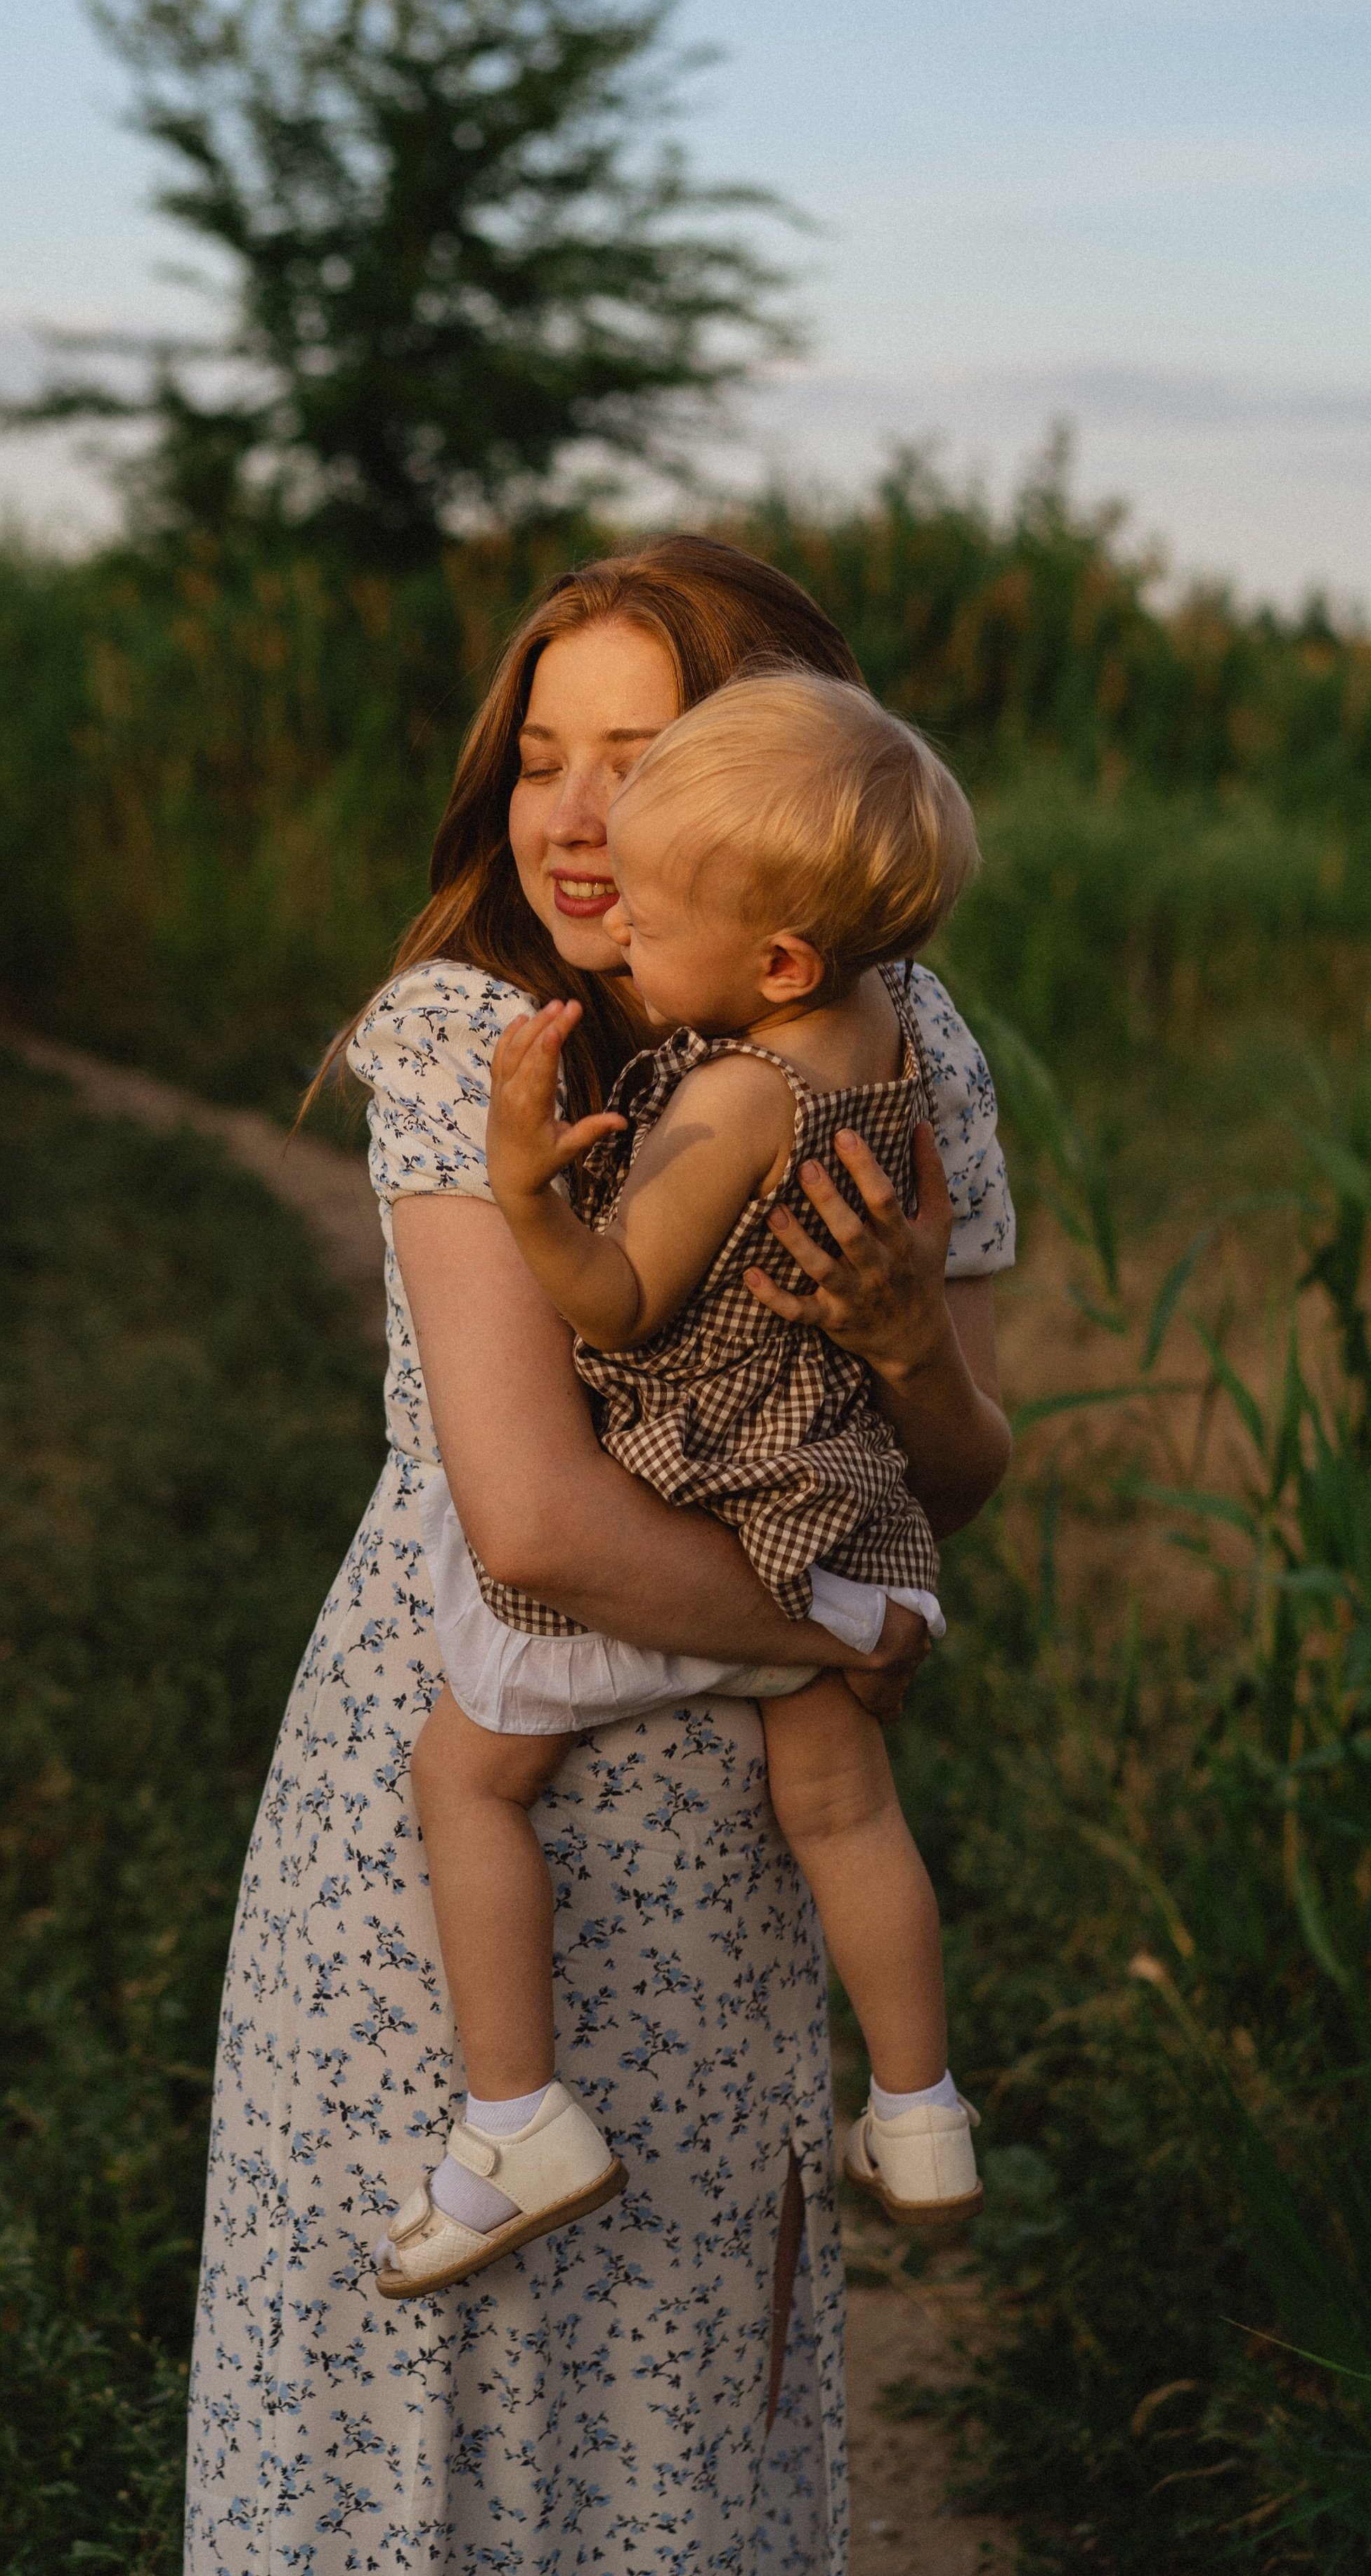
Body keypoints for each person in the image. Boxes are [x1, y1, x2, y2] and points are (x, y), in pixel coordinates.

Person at [183, 536, 1013, 2576]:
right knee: (413, 2433)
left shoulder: (910, 1050)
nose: (570, 811)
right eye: (540, 752)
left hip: (717, 1870)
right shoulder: (473, 1033)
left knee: (672, 2426)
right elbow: (536, 1526)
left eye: (631, 757)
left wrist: (905, 1345)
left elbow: (967, 1463)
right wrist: (841, 1626)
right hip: (460, 1801)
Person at [377, 672, 985, 2306]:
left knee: (467, 1775)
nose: (617, 924)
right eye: (541, 763)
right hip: (841, 1488)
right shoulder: (879, 1039)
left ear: (774, 956)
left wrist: (525, 1191)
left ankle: (514, 2116)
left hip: (705, 1485)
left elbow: (621, 1302)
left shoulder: (728, 1090)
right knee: (845, 1808)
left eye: (646, 908)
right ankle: (919, 2109)